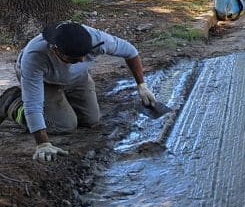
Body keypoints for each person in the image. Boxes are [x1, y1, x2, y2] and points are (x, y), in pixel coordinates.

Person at [0, 22, 158, 161]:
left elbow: (131, 52)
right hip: (45, 82)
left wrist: (141, 85)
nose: (82, 61)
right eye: (75, 59)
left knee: (90, 120)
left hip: (76, 78)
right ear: (56, 51)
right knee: (64, 125)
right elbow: (33, 104)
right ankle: (12, 103)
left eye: (84, 56)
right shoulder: (34, 57)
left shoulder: (97, 40)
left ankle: (62, 102)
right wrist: (43, 144)